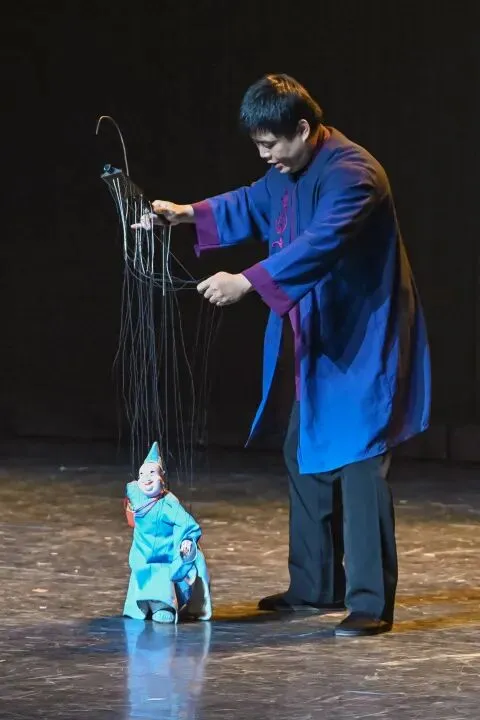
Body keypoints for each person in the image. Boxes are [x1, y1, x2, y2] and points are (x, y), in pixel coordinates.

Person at [134, 74, 431, 636]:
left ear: (303, 128)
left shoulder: (353, 174)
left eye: (271, 143)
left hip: (363, 336)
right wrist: (184, 213)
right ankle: (314, 586)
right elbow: (249, 202)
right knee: (303, 448)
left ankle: (370, 602)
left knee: (360, 461)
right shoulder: (287, 173)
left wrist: (246, 281)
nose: (264, 156)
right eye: (258, 145)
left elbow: (321, 244)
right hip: (319, 333)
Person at [123, 442, 212, 624]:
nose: (146, 478)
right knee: (142, 569)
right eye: (142, 474)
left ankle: (163, 606)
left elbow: (187, 524)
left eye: (152, 473)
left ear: (162, 478)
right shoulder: (136, 495)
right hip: (143, 549)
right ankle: (142, 605)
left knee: (164, 572)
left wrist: (186, 540)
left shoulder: (168, 503)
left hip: (165, 551)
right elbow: (132, 512)